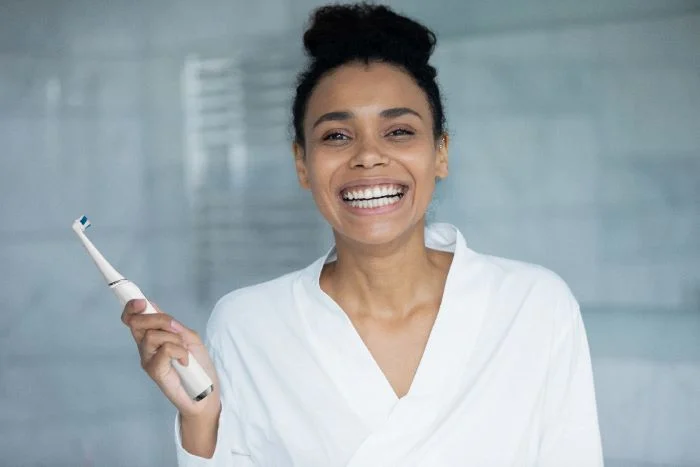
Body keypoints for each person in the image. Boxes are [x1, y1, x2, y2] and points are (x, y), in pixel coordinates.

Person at [121, 3, 603, 466]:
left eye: (399, 132)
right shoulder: (248, 326)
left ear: (440, 152)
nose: (368, 156)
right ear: (302, 164)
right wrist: (201, 418)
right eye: (336, 136)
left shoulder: (533, 306)